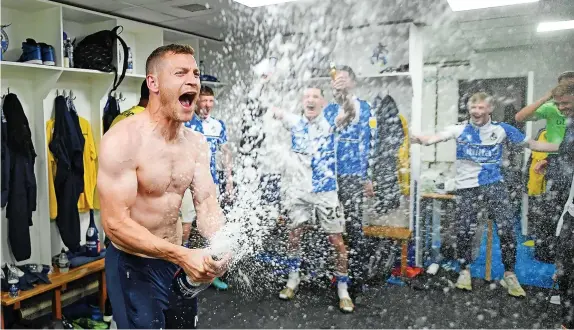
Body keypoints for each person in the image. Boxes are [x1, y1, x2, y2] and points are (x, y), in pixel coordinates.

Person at [98, 44, 228, 329]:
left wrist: (221, 244)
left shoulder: (196, 143)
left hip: (175, 261)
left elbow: (206, 202)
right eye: (180, 72)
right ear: (153, 83)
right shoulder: (123, 140)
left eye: (195, 73)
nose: (193, 80)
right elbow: (114, 223)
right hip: (134, 265)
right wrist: (181, 254)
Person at [412, 91, 559, 298]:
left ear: (490, 109)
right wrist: (417, 138)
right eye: (473, 108)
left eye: (481, 108)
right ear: (469, 109)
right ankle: (464, 271)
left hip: (493, 185)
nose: (477, 112)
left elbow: (533, 145)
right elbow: (432, 139)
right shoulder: (459, 129)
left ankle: (509, 274)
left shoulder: (501, 129)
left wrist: (564, 147)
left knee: (507, 228)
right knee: (464, 230)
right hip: (466, 188)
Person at [273, 87, 355, 313]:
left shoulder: (330, 124)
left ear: (323, 102)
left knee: (337, 241)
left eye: (315, 97)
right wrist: (264, 83)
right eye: (306, 96)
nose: (310, 100)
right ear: (302, 101)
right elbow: (272, 111)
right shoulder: (294, 122)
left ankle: (342, 288)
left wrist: (345, 96)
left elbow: (348, 114)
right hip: (298, 192)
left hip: (325, 191)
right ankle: (292, 279)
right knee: (293, 236)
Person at [323, 65, 374, 296]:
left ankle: (358, 277)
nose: (339, 82)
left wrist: (368, 177)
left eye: (344, 79)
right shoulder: (328, 110)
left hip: (354, 178)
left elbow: (371, 144)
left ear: (352, 83)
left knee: (355, 228)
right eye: (336, 79)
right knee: (331, 229)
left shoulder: (365, 108)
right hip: (331, 178)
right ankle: (335, 274)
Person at [515, 72, 574, 262]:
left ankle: (564, 256)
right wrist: (548, 96)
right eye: (562, 89)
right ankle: (548, 254)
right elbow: (520, 117)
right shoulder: (552, 107)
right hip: (557, 161)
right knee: (551, 208)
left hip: (566, 160)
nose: (563, 106)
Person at [183, 85, 232, 290]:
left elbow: (225, 152)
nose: (207, 105)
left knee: (213, 229)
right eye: (204, 100)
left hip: (211, 184)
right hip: (187, 183)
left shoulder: (218, 125)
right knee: (186, 228)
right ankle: (182, 269)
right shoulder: (186, 123)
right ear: (197, 101)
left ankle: (211, 273)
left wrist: (229, 179)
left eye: (211, 101)